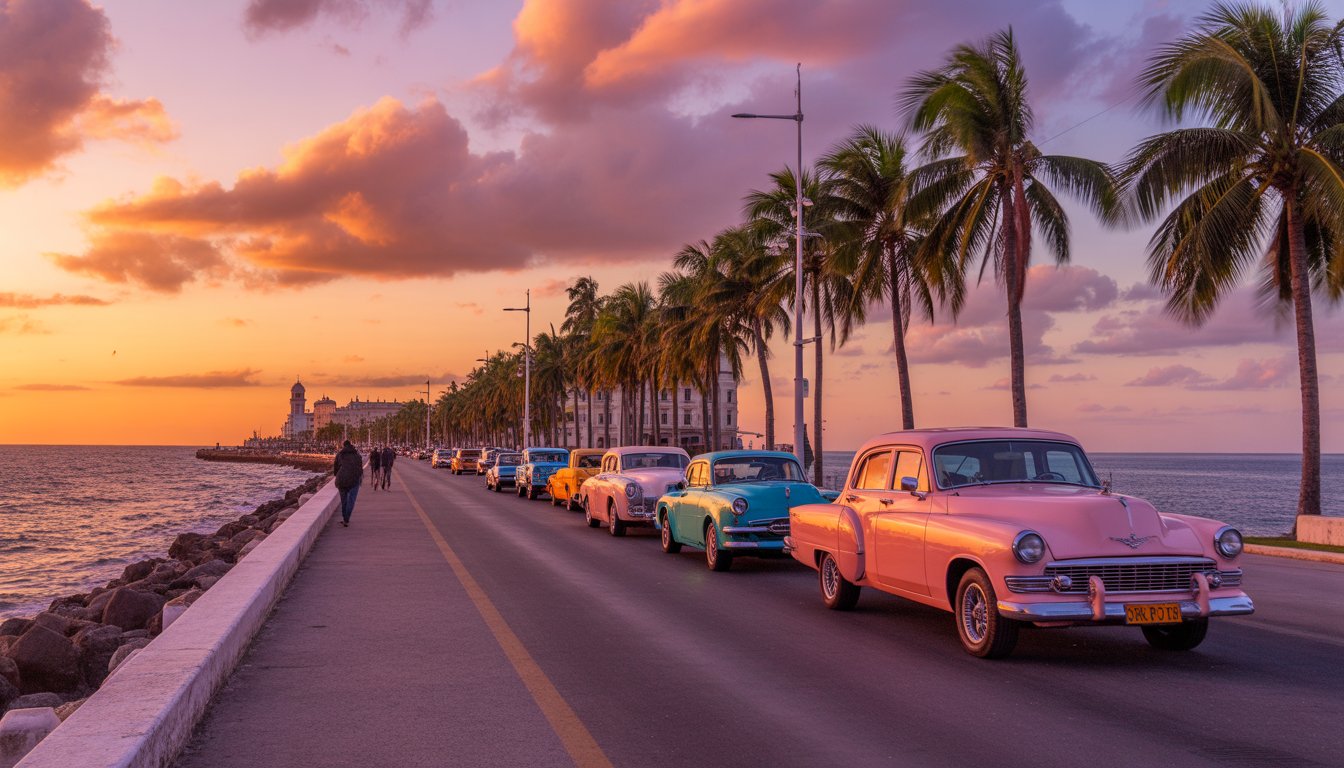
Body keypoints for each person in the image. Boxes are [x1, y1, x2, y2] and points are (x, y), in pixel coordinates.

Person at [333, 440, 363, 527]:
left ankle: (344, 518)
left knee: (344, 500)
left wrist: (337, 476)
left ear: (344, 446)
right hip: (354, 479)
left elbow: (335, 468)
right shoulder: (357, 455)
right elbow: (360, 468)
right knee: (351, 500)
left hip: (341, 479)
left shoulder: (340, 454)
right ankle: (346, 519)